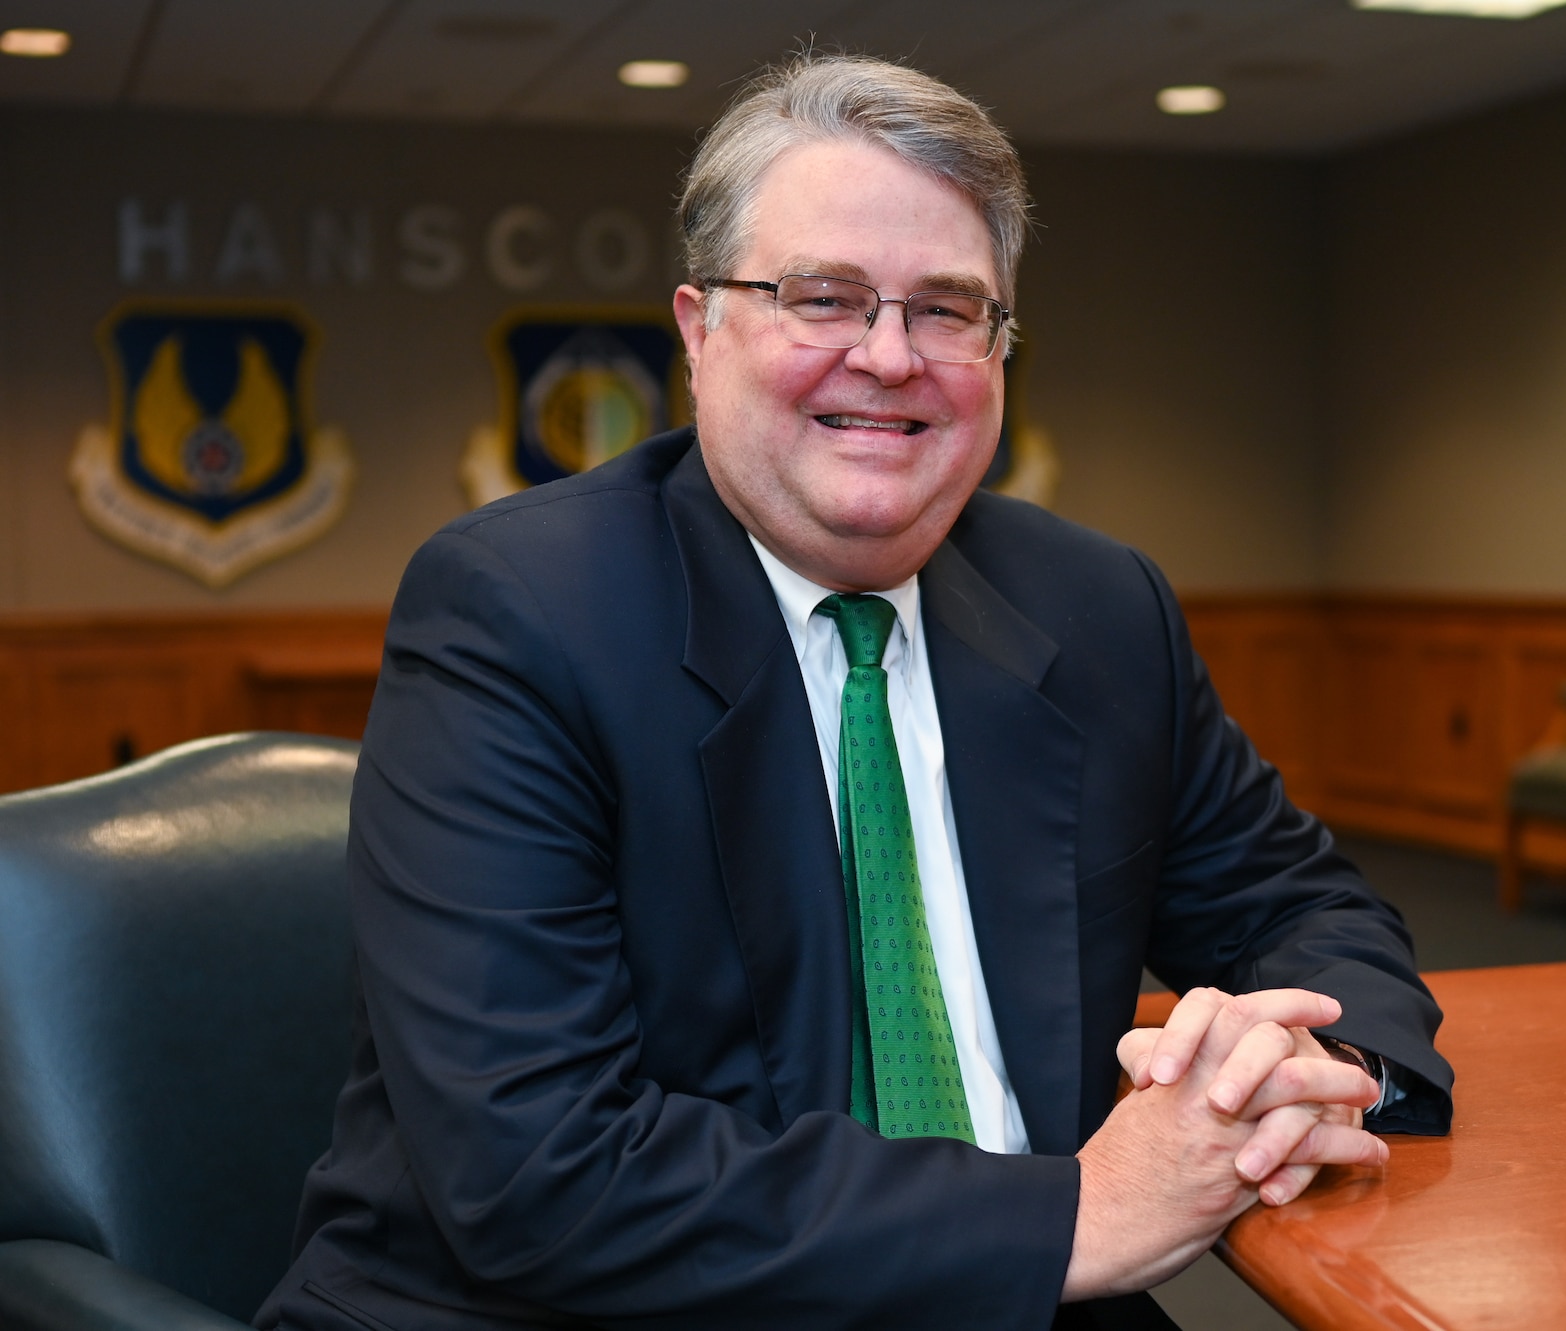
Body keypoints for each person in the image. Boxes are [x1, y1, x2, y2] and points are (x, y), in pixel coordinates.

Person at [257, 52, 1451, 1331]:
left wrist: (1313, 1069)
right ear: (699, 328)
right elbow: (536, 1169)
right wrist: (1075, 1214)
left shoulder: (1097, 608)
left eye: (947, 309)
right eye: (821, 297)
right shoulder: (516, 614)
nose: (888, 357)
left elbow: (1302, 904)